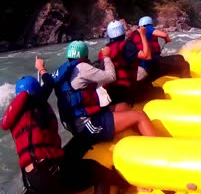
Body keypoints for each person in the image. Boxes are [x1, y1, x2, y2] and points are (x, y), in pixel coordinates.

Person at [2, 57, 128, 194]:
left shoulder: (15, 117)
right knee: (99, 173)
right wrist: (41, 68)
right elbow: (49, 82)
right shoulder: (35, 103)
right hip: (50, 172)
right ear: (35, 92)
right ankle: (125, 184)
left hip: (31, 179)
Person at [54, 40, 157, 148]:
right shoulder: (82, 68)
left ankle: (142, 136)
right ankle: (156, 150)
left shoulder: (63, 71)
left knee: (123, 107)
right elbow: (111, 77)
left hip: (77, 122)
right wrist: (106, 57)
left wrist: (42, 70)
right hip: (87, 126)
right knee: (140, 115)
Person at [98, 20, 151, 106]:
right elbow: (147, 56)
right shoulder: (127, 46)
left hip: (110, 90)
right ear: (122, 31)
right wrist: (142, 34)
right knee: (157, 91)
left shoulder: (105, 50)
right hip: (126, 90)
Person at [136, 16, 191, 82]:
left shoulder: (137, 33)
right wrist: (167, 39)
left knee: (179, 57)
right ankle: (186, 81)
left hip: (142, 62)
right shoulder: (148, 28)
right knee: (184, 63)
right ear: (150, 23)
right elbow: (164, 35)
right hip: (152, 62)